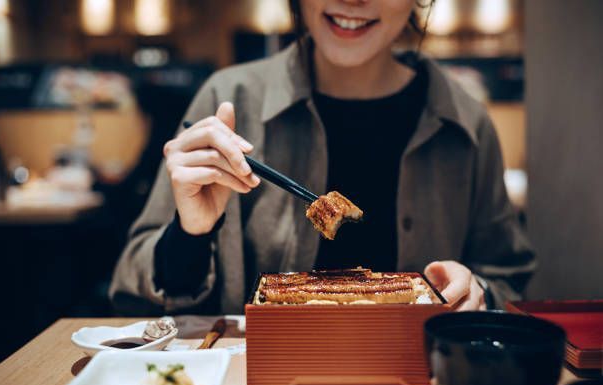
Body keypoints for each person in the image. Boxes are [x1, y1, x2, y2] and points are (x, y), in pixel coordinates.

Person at [110, 0, 536, 316]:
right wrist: (191, 232)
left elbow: (509, 276)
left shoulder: (464, 122)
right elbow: (131, 284)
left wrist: (477, 292)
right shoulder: (229, 102)